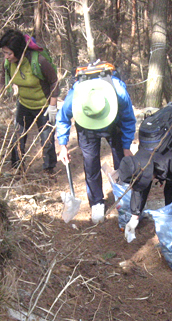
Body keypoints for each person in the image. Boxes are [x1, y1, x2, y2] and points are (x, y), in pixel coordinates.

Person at [55, 66, 136, 224]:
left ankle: (124, 197)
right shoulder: (75, 97)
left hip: (114, 123)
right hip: (86, 128)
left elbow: (128, 120)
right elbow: (63, 118)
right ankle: (96, 202)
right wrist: (63, 145)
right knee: (91, 163)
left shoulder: (118, 92)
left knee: (121, 161)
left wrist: (126, 147)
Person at [0, 29, 59, 173]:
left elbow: (53, 81)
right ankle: (17, 168)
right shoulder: (8, 64)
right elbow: (3, 81)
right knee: (17, 136)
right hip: (24, 104)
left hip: (43, 105)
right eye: (4, 53)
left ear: (18, 52)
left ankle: (49, 170)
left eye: (9, 53)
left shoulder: (38, 61)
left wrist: (53, 106)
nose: (6, 57)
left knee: (46, 139)